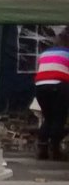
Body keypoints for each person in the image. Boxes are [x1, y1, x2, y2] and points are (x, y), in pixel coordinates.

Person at [35, 29, 69, 161]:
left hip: (40, 86)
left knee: (48, 117)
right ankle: (55, 150)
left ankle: (42, 148)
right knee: (59, 117)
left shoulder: (44, 53)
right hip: (59, 84)